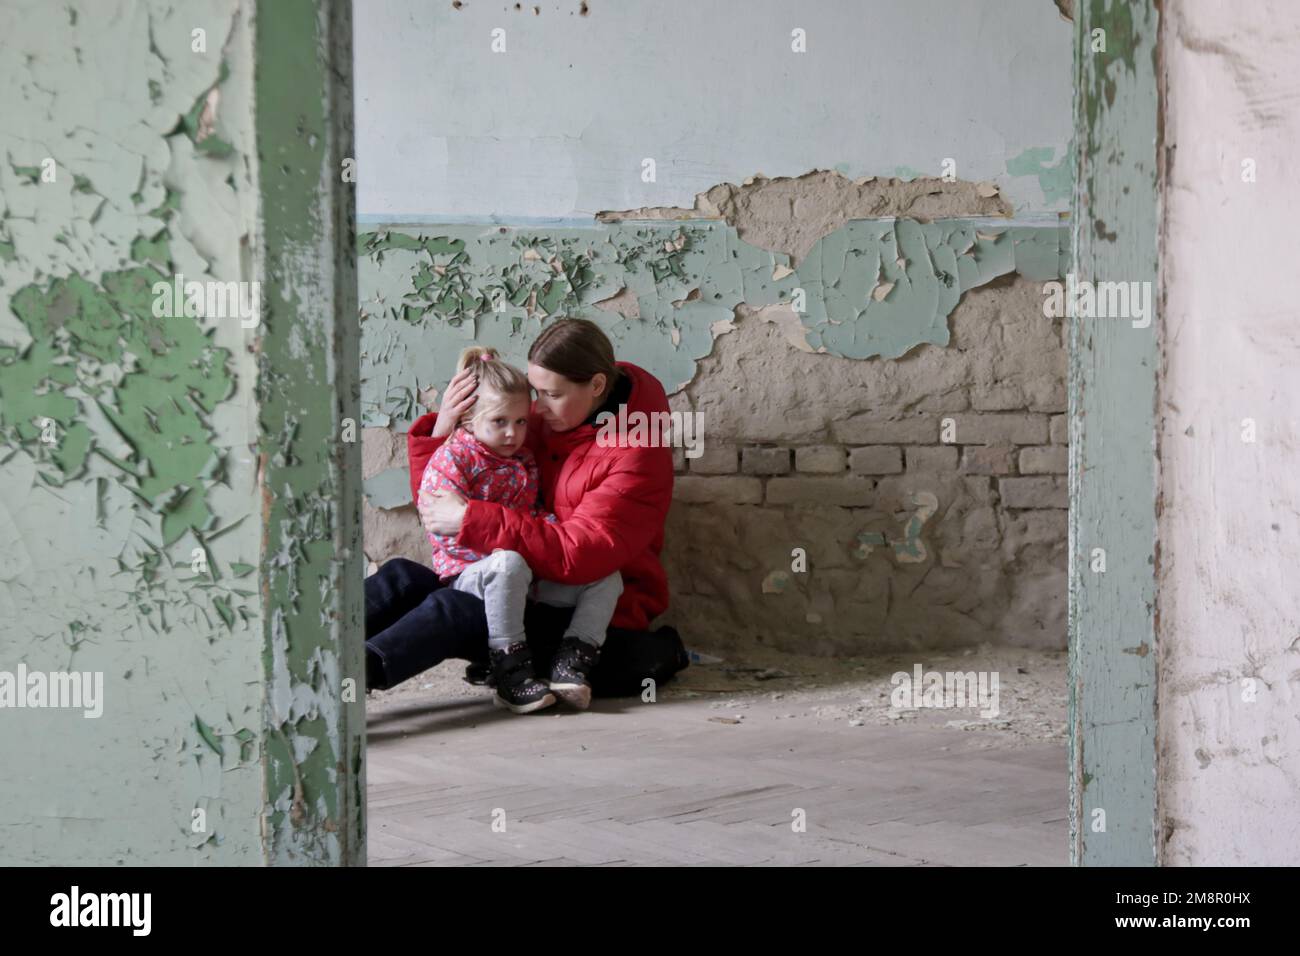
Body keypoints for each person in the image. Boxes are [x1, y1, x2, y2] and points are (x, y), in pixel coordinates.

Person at [364, 317, 688, 699]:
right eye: (535, 391)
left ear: (597, 385)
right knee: (403, 576)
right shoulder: (542, 421)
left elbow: (579, 554)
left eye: (551, 394)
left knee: (459, 608)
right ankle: (303, 640)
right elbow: (441, 503)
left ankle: (348, 675)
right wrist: (446, 428)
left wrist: (472, 519)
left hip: (579, 612)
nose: (537, 407)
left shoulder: (637, 455)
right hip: (522, 583)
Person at [418, 344, 623, 713]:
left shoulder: (523, 461)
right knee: (508, 564)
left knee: (607, 577)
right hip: (470, 575)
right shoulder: (453, 458)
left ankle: (571, 662)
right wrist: (502, 549)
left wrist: (552, 535)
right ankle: (509, 670)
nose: (513, 433)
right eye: (499, 422)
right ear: (468, 419)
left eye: (521, 421)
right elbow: (440, 524)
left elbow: (532, 512)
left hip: (523, 572)